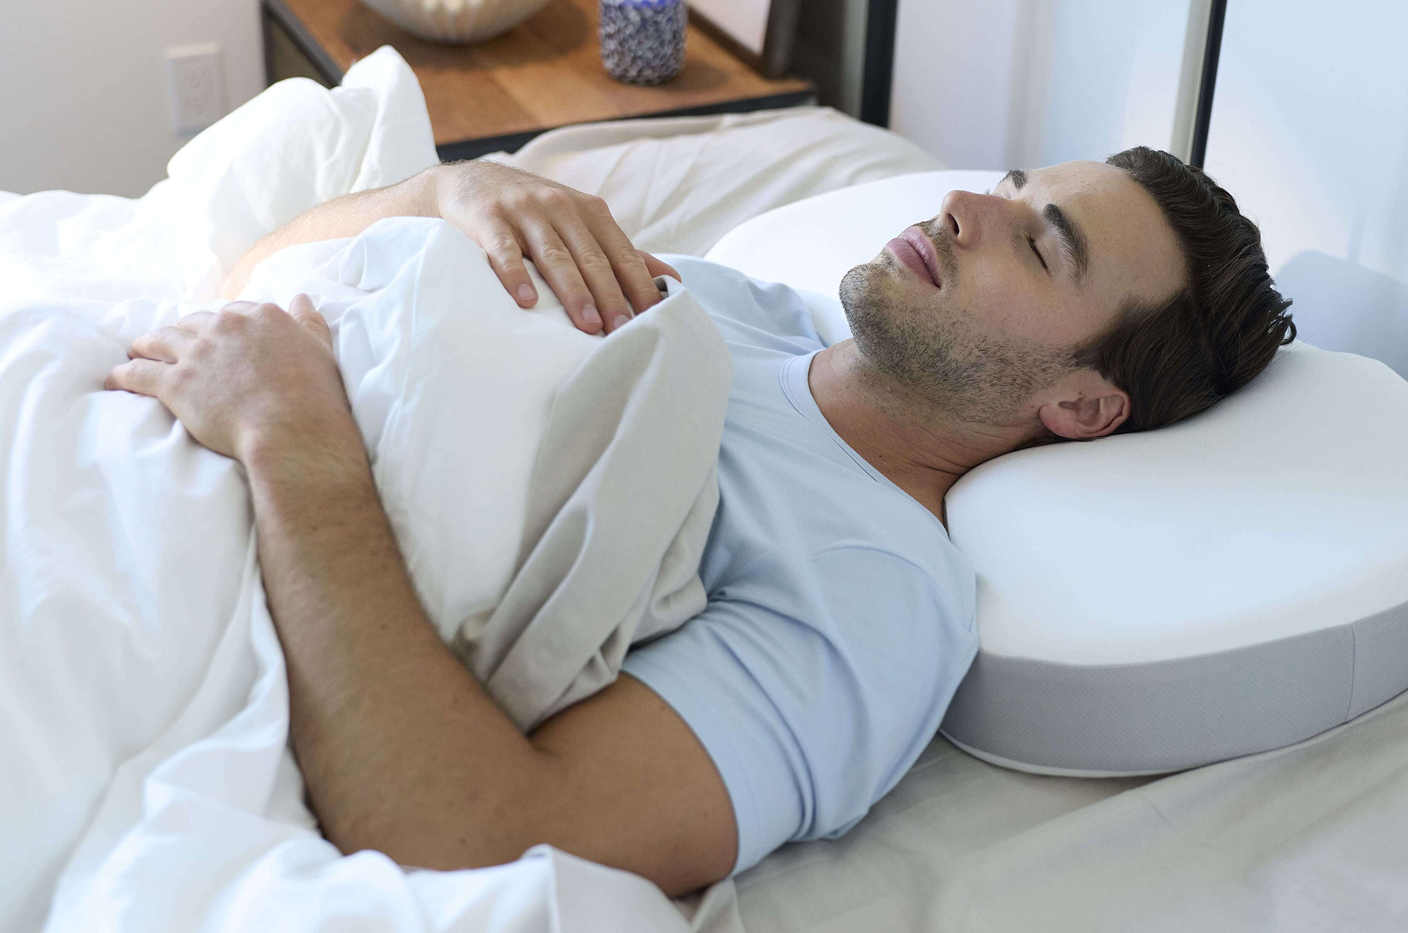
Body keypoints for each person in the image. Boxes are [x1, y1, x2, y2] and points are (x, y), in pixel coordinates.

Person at [103, 145, 1294, 898]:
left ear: (1081, 406)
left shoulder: (874, 596)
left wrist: (294, 442)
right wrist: (444, 189)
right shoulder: (730, 300)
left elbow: (478, 836)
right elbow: (244, 287)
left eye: (1038, 243)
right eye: (1015, 182)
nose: (967, 204)